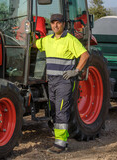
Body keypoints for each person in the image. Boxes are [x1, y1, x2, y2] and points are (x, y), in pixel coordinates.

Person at [34, 13, 89, 153]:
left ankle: (60, 144)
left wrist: (76, 71)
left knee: (61, 111)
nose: (55, 25)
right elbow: (34, 44)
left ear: (63, 24)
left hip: (64, 82)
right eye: (52, 23)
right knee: (53, 110)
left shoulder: (70, 40)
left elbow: (85, 55)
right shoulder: (47, 40)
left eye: (58, 22)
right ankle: (60, 137)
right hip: (51, 82)